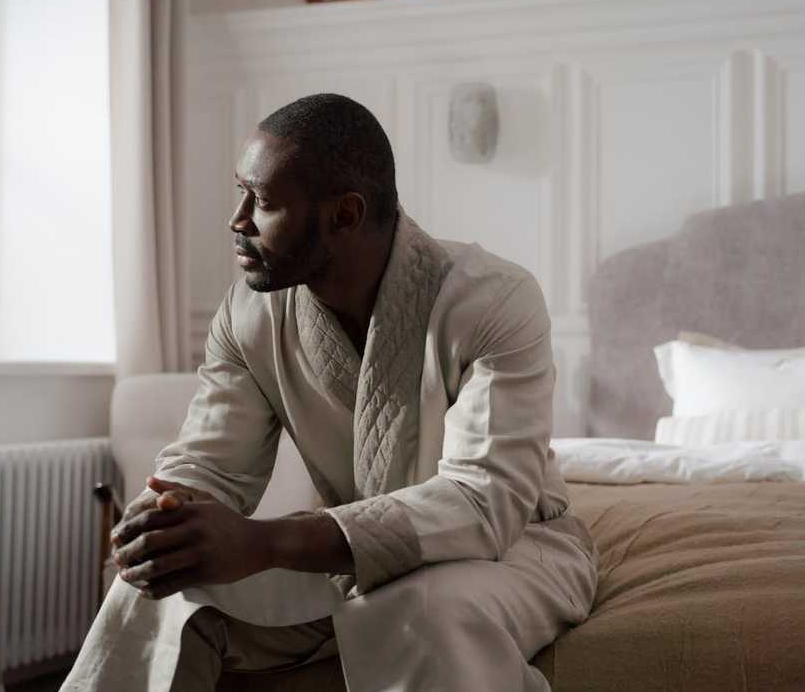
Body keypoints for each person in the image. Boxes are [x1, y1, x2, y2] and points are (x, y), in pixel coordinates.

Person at [62, 93, 597, 691]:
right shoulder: (249, 313)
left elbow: (482, 503)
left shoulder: (495, 301)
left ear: (344, 215)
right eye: (242, 192)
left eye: (262, 202)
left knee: (417, 612)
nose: (238, 219)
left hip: (515, 551)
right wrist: (169, 518)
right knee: (160, 588)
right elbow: (211, 463)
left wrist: (266, 542)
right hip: (346, 555)